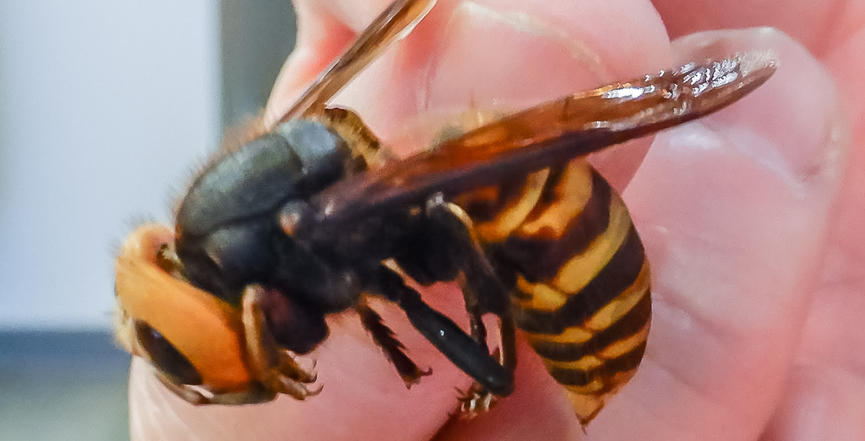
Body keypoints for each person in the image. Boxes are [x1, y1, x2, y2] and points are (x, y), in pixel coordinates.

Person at [128, 0, 865, 439]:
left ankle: (499, 363)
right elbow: (379, 283)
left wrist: (488, 361)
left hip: (572, 266)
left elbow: (396, 272)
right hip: (493, 227)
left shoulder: (305, 237)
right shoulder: (297, 236)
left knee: (451, 216)